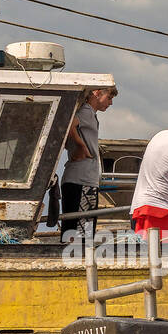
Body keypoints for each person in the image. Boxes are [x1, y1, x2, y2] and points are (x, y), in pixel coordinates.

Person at [60, 86, 118, 240]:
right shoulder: (86, 112)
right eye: (109, 97)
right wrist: (80, 145)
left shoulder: (90, 114)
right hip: (81, 180)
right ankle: (77, 262)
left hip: (81, 178)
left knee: (78, 231)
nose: (110, 103)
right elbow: (67, 124)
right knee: (81, 235)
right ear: (97, 93)